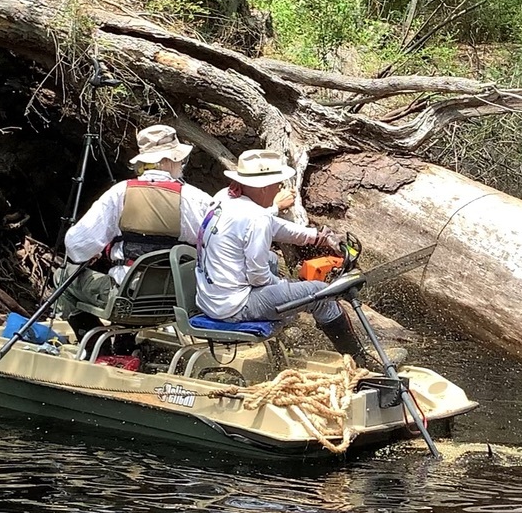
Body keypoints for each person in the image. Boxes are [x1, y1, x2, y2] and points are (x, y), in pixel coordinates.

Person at [195, 149, 392, 369]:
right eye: (277, 184)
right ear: (264, 186)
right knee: (319, 294)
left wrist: (319, 238)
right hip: (235, 306)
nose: (280, 188)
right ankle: (361, 361)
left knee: (272, 260)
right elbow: (258, 276)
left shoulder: (225, 197)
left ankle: (294, 344)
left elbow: (275, 226)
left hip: (212, 299)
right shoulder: (256, 217)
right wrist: (287, 287)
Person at [62, 124, 213, 309]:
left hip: (126, 299)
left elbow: (76, 246)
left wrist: (94, 250)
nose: (182, 164)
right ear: (170, 160)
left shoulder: (119, 193)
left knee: (62, 276)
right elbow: (215, 247)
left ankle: (88, 334)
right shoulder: (197, 198)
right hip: (178, 300)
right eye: (180, 159)